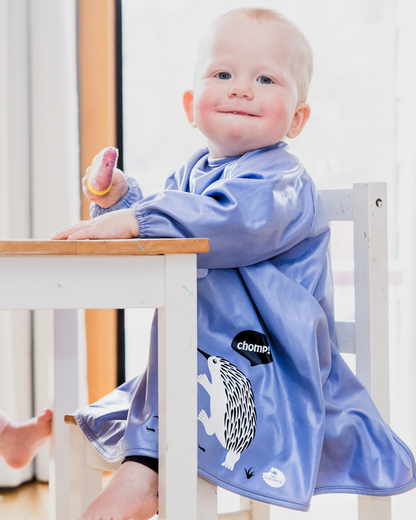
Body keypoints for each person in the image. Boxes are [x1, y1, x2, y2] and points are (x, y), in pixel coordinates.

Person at [52, 7, 416, 520]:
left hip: (267, 365)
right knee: (139, 395)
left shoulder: (282, 180)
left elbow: (226, 222)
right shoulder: (194, 175)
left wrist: (137, 219)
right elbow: (175, 214)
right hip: (200, 353)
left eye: (265, 78)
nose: (241, 89)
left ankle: (143, 474)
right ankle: (143, 468)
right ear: (190, 105)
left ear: (297, 117)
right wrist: (120, 201)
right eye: (222, 74)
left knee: (176, 396)